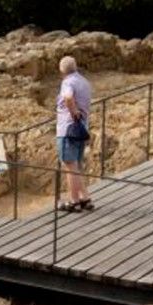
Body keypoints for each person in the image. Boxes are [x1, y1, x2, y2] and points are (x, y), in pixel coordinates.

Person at [55, 55, 93, 211]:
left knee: (69, 165)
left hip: (68, 129)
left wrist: (74, 112)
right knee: (76, 165)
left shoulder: (67, 82)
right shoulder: (84, 81)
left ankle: (74, 201)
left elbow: (68, 97)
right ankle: (85, 198)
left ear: (61, 70)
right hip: (81, 127)